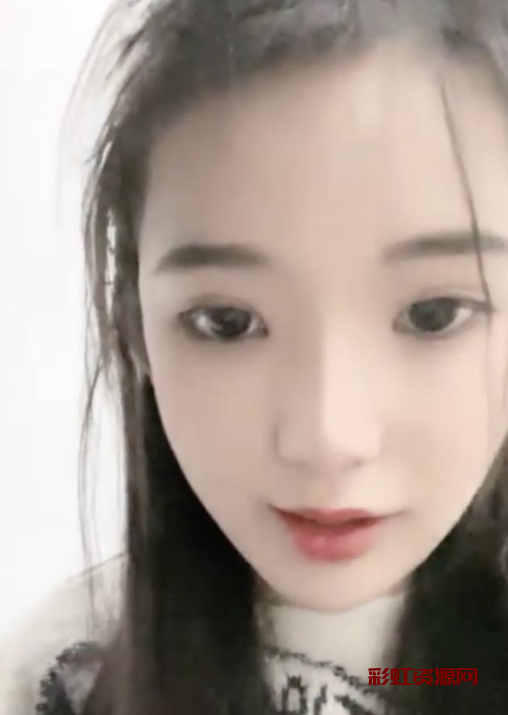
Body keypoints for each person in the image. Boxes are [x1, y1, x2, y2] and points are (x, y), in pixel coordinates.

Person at [3, 0, 508, 713]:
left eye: (434, 314)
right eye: (228, 322)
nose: (327, 440)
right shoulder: (57, 676)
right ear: (134, 325)